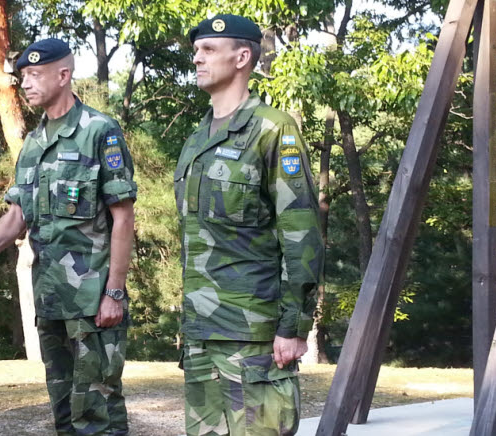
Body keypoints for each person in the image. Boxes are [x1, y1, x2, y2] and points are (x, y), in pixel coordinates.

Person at [175, 14, 324, 436]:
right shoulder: (196, 140)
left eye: (208, 50)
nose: (197, 59)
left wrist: (294, 327)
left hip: (254, 334)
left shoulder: (273, 130)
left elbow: (301, 235)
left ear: (243, 57)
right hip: (202, 333)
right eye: (196, 51)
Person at [0, 38, 137, 436]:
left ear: (64, 75)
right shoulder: (33, 145)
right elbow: (17, 215)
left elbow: (123, 217)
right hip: (50, 300)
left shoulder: (99, 131)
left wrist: (114, 292)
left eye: (34, 75)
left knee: (97, 409)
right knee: (65, 410)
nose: (26, 85)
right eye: (22, 77)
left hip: (92, 301)